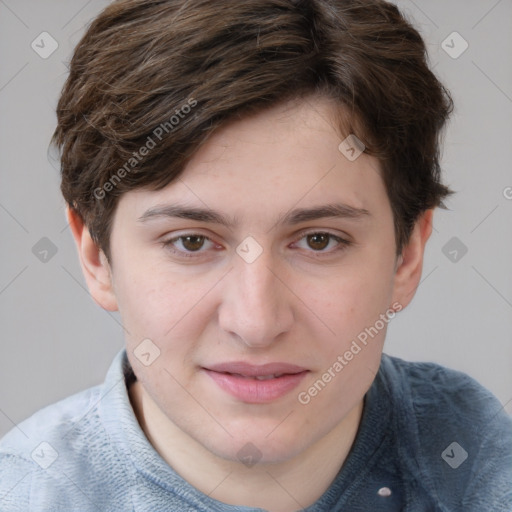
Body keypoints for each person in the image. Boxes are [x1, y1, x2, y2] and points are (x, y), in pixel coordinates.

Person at [1, 0, 511, 510]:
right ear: (97, 257)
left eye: (319, 240)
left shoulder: (485, 466)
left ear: (407, 255)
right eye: (192, 242)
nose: (256, 322)